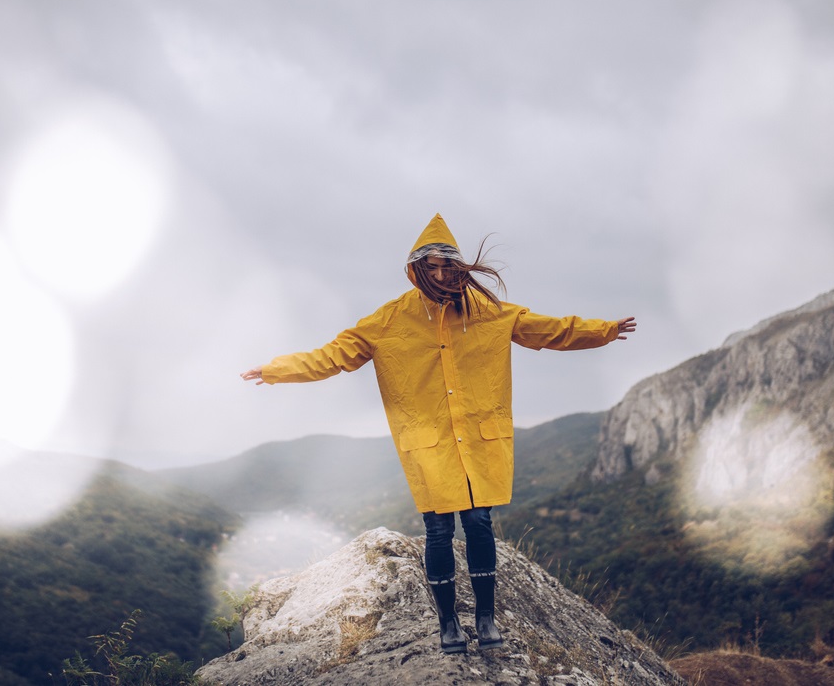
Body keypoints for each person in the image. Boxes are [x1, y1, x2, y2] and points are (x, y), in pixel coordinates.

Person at [240, 213, 636, 655]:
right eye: (432, 268)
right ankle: (448, 623)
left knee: (479, 523)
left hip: (479, 440)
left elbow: (549, 330)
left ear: (460, 267)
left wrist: (604, 331)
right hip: (429, 444)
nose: (442, 275)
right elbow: (333, 356)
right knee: (438, 529)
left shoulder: (489, 313)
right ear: (417, 271)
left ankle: (485, 619)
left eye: (448, 266)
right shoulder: (388, 321)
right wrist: (275, 370)